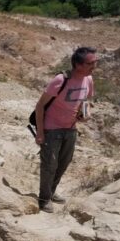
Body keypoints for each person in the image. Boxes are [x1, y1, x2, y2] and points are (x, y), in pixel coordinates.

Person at [34, 46, 97, 213]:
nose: (94, 66)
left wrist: (86, 114)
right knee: (49, 164)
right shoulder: (61, 80)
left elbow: (85, 101)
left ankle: (51, 191)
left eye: (95, 62)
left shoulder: (88, 80)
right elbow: (40, 106)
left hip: (70, 128)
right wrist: (40, 132)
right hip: (51, 128)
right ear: (78, 64)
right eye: (90, 63)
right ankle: (44, 198)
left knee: (63, 163)